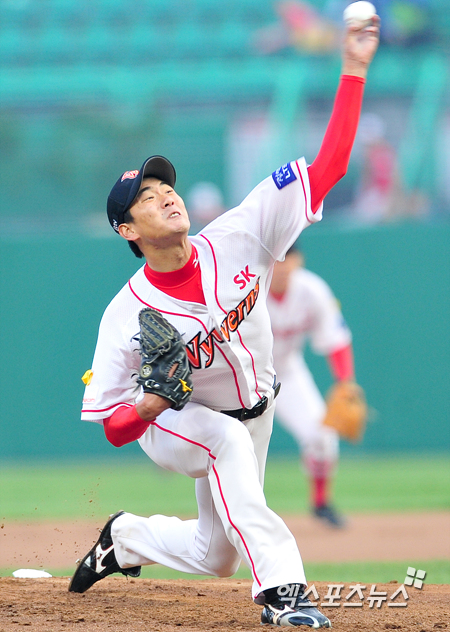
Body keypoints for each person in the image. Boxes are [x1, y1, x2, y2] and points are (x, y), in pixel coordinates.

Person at [69, 19, 379, 629]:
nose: (166, 196)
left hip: (257, 408)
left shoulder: (241, 234)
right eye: (146, 197)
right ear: (127, 230)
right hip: (175, 422)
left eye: (165, 186)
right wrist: (152, 403)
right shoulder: (125, 314)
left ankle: (125, 539)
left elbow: (332, 165)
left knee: (217, 556)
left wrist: (354, 68)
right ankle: (284, 592)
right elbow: (112, 427)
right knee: (224, 442)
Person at [267, 246, 356, 528]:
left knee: (322, 436)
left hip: (287, 373)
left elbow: (336, 339)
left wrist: (345, 383)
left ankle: (320, 502)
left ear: (298, 260)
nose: (282, 265)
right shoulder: (248, 288)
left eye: (288, 258)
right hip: (242, 375)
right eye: (276, 259)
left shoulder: (312, 290)